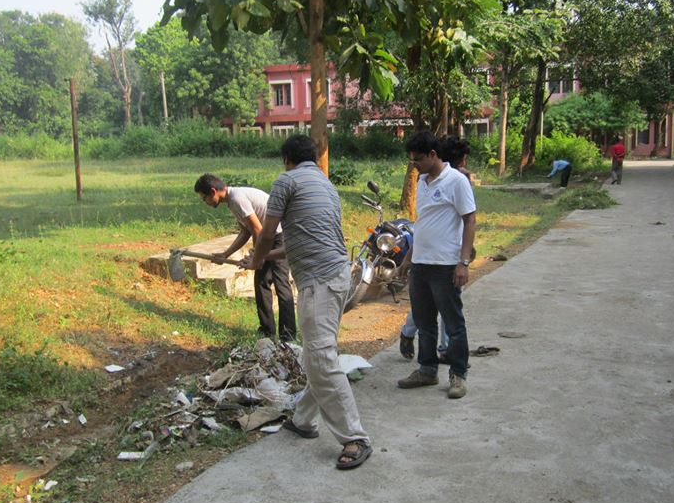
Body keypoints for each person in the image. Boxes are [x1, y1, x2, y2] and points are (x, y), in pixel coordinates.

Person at [247, 134, 372, 469]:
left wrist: (257, 260)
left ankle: (354, 438)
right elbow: (297, 242)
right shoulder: (323, 184)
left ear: (287, 159)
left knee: (319, 357)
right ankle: (303, 420)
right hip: (338, 276)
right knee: (320, 354)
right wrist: (264, 257)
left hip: (319, 281)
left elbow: (267, 231)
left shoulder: (286, 181)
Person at [397, 131, 476, 400]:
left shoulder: (456, 181)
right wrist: (408, 258)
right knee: (424, 321)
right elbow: (423, 221)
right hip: (421, 264)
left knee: (453, 324)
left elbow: (470, 221)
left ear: (433, 155)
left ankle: (458, 374)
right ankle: (427, 369)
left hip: (445, 265)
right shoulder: (422, 180)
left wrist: (462, 262)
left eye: (418, 159)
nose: (414, 165)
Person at [194, 173, 296, 342]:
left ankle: (288, 336)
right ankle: (267, 331)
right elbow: (246, 231)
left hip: (279, 236)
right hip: (269, 237)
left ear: (213, 191)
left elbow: (257, 229)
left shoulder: (237, 199)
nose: (205, 203)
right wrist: (225, 254)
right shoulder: (232, 200)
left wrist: (256, 257)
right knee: (261, 283)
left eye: (204, 198)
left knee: (281, 283)